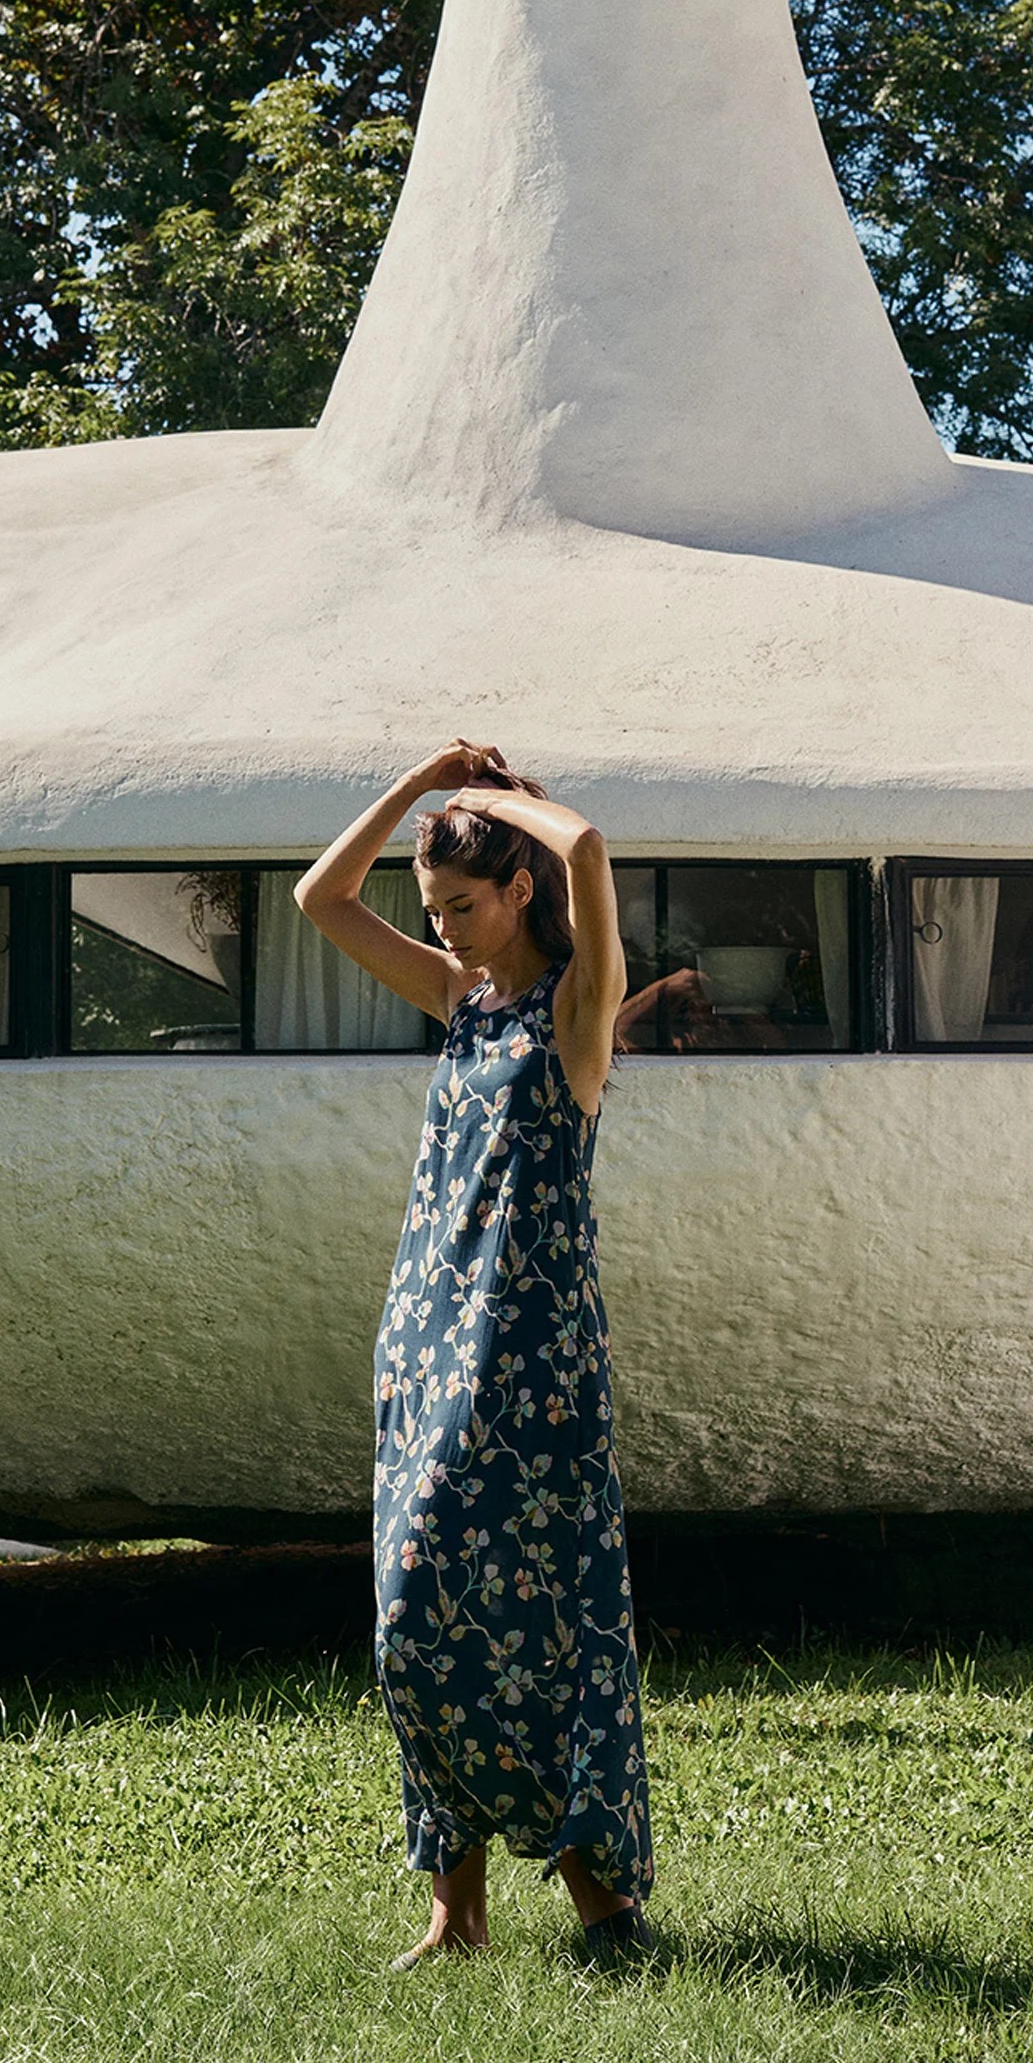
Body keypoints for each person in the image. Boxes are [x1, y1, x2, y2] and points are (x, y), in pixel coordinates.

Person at [294, 738, 654, 1969]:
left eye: (459, 904)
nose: (440, 928)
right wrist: (415, 785)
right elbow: (321, 898)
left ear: (517, 890)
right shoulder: (462, 1001)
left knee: (545, 1617)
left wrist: (500, 798)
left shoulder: (575, 1010)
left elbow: (588, 847)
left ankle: (603, 1907)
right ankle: (458, 1914)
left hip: (532, 1355)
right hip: (427, 1339)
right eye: (431, 908)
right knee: (411, 1622)